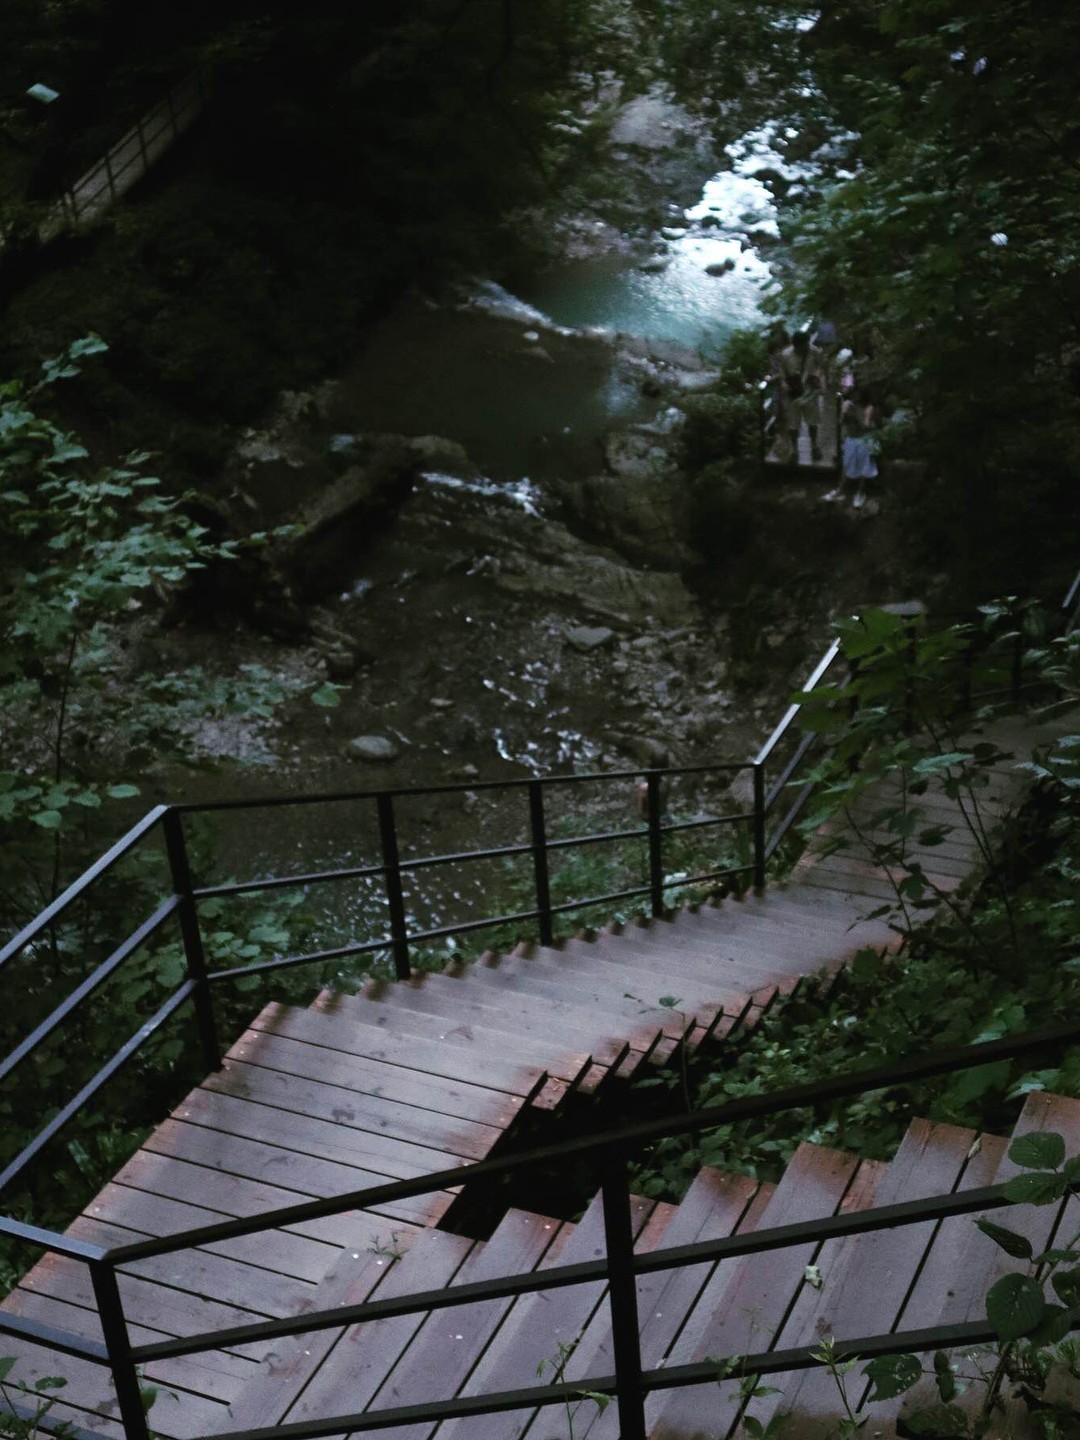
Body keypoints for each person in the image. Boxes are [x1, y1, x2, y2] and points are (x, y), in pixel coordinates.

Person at [777, 330, 826, 463]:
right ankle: (794, 450)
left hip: (809, 390)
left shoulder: (814, 351)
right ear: (795, 345)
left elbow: (821, 366)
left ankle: (814, 446)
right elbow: (782, 371)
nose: (804, 348)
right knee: (793, 423)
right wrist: (784, 384)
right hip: (792, 392)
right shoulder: (786, 354)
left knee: (812, 421)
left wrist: (818, 379)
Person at [827, 388, 879, 507]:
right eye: (854, 394)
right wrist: (845, 412)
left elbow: (865, 425)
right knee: (846, 465)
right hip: (851, 439)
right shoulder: (848, 404)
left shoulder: (868, 408)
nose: (855, 397)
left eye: (858, 395)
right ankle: (840, 490)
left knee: (864, 467)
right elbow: (841, 422)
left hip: (863, 440)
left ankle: (859, 493)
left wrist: (855, 414)